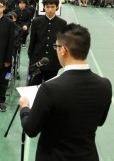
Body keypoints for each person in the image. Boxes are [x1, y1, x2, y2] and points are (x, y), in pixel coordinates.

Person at [19, 23, 112, 161]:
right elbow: (100, 122)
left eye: (56, 47)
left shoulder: (50, 88)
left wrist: (24, 107)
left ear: (63, 50)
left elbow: (31, 129)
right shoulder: (105, 85)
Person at [28, 0, 67, 85]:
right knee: (34, 86)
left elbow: (63, 44)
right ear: (44, 7)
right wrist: (32, 59)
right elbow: (32, 42)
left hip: (53, 61)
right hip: (38, 61)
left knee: (50, 87)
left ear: (57, 7)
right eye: (47, 7)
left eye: (52, 7)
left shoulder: (62, 23)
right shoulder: (36, 22)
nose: (50, 9)